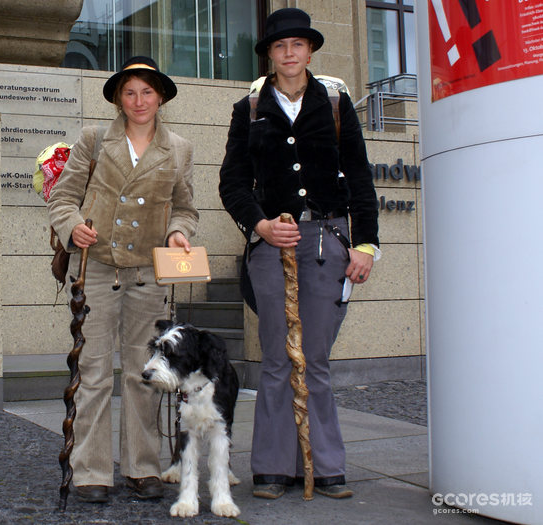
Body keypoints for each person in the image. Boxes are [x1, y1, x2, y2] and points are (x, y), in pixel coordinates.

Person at [219, 8, 380, 500]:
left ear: (309, 51)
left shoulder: (334, 102)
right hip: (272, 244)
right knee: (275, 357)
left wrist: (365, 244)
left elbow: (359, 175)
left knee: (315, 358)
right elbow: (232, 182)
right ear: (269, 53)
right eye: (280, 45)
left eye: (297, 45)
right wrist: (260, 225)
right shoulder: (249, 107)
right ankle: (272, 467)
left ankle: (326, 465)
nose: (289, 53)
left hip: (327, 239)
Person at [47, 56, 198, 503]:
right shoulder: (93, 140)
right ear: (118, 98)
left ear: (161, 97)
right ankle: (90, 470)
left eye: (147, 92)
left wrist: (178, 232)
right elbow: (63, 198)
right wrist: (73, 226)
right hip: (97, 269)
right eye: (130, 92)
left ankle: (142, 466)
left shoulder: (179, 149)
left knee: (143, 372)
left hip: (149, 275)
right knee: (93, 372)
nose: (139, 100)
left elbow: (186, 208)